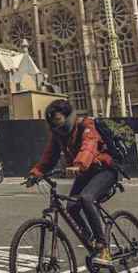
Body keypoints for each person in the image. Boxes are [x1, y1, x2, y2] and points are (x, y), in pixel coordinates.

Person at [26, 99, 116, 266]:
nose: (55, 125)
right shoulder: (58, 135)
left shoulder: (86, 125)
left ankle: (103, 248)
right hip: (84, 172)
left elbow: (89, 145)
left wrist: (79, 164)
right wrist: (36, 173)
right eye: (52, 122)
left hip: (104, 169)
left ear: (68, 116)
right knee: (71, 208)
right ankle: (92, 243)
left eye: (58, 120)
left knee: (86, 198)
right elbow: (49, 157)